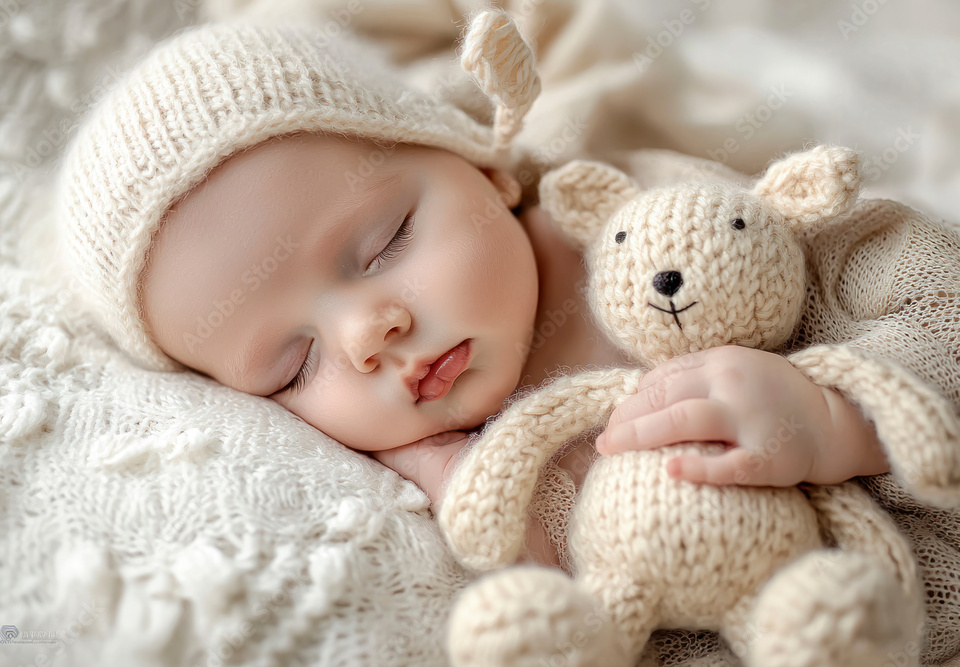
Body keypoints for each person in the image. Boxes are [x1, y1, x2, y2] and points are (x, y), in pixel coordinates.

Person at [57, 18, 894, 571]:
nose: (366, 337)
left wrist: (837, 421)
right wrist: (458, 481)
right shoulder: (415, 469)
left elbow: (930, 298)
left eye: (383, 244)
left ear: (482, 167)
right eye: (294, 365)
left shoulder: (642, 225)